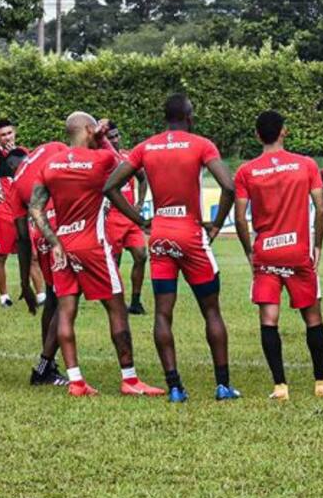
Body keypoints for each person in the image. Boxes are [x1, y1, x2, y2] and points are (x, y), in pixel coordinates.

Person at [103, 93, 241, 403]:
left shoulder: (146, 147)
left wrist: (140, 219)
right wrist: (216, 224)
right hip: (191, 234)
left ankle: (175, 387)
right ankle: (222, 386)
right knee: (211, 311)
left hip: (161, 234)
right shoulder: (201, 144)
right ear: (189, 117)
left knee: (163, 313)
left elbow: (110, 186)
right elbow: (229, 186)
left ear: (165, 118)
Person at [29, 112, 163, 398]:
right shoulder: (100, 159)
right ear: (89, 129)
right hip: (93, 243)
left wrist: (53, 242)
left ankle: (76, 381)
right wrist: (103, 140)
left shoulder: (50, 164)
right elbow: (124, 168)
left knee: (66, 310)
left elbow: (36, 209)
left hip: (63, 243)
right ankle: (129, 378)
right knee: (116, 308)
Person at [233, 110, 323, 401]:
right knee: (313, 316)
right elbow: (321, 208)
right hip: (299, 252)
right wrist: (318, 247)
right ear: (284, 131)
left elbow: (240, 218)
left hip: (266, 255)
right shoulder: (306, 165)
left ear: (257, 136)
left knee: (269, 319)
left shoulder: (247, 171)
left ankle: (280, 387)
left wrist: (250, 251)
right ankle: (321, 383)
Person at [5, 140, 67, 386]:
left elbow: (21, 238)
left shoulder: (16, 185)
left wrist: (24, 284)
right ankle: (43, 368)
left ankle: (48, 366)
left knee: (54, 298)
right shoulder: (51, 147)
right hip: (62, 230)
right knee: (67, 299)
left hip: (42, 236)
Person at [0, 118, 43, 308]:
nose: (7, 137)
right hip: (2, 213)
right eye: (3, 135)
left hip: (22, 213)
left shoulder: (24, 153)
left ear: (14, 132)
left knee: (32, 255)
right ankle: (4, 297)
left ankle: (41, 295)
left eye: (9, 133)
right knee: (1, 256)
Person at [100, 119, 149, 316]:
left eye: (117, 136)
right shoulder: (102, 159)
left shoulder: (128, 157)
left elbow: (143, 178)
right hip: (112, 216)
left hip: (131, 217)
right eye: (110, 138)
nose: (115, 140)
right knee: (114, 261)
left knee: (141, 255)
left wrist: (140, 202)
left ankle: (136, 301)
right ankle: (115, 301)